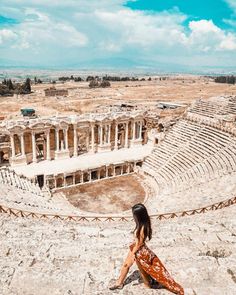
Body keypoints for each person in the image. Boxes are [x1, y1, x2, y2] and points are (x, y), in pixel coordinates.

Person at [109, 203, 184, 294]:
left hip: (139, 250)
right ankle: (121, 283)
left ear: (138, 216)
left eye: (134, 215)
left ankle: (120, 283)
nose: (133, 216)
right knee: (131, 266)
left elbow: (139, 243)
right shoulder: (143, 223)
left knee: (127, 265)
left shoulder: (142, 228)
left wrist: (133, 254)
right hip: (138, 248)